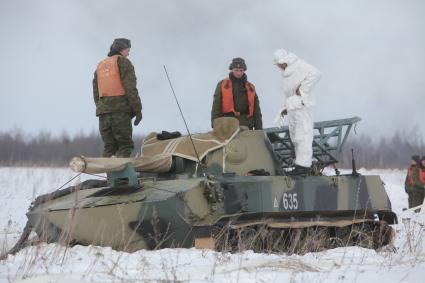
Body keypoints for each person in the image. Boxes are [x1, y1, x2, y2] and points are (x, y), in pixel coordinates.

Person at [273, 49, 321, 175]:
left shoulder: (299, 65)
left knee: (303, 135)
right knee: (295, 137)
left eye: (278, 64)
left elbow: (316, 73)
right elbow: (290, 95)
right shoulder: (287, 74)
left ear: (283, 61)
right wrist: (285, 108)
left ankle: (304, 166)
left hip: (302, 106)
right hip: (293, 107)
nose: (278, 67)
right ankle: (300, 165)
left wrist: (303, 90)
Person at [93, 38, 143, 157]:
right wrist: (138, 110)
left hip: (103, 113)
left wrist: (102, 108)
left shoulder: (100, 66)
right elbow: (130, 89)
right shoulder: (124, 62)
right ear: (121, 49)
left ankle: (110, 175)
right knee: (124, 146)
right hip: (120, 112)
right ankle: (121, 176)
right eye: (127, 50)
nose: (129, 53)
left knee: (109, 148)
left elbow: (96, 92)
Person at [211, 57, 262, 130]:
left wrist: (259, 130)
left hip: (246, 125)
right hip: (227, 125)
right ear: (232, 69)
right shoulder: (222, 85)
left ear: (244, 70)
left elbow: (257, 112)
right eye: (236, 70)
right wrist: (215, 126)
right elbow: (216, 107)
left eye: (241, 70)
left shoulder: (250, 88)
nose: (239, 73)